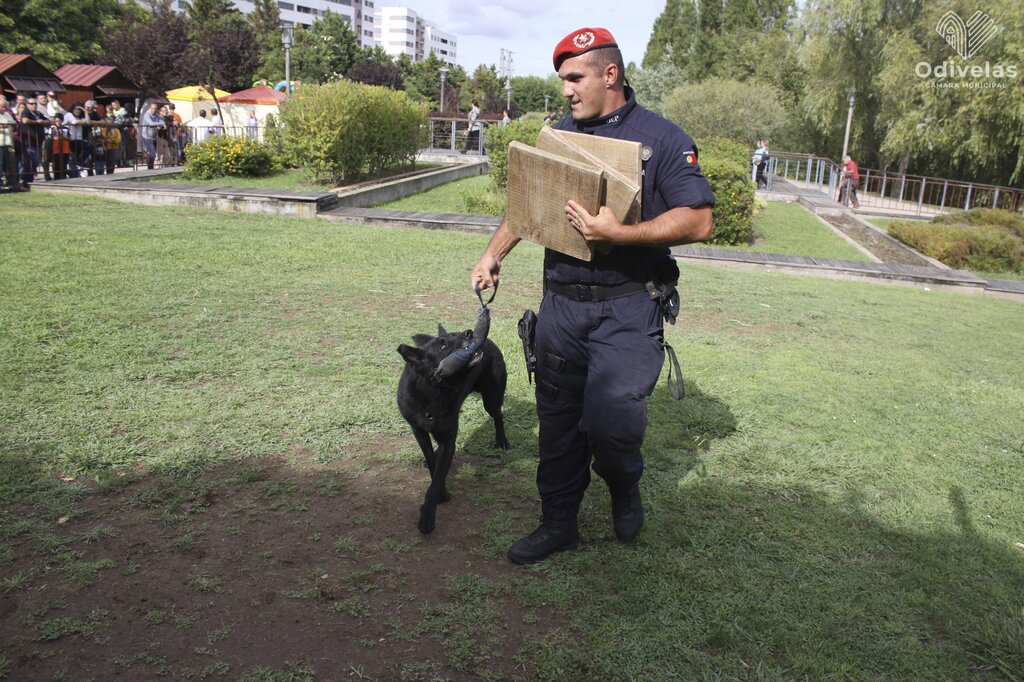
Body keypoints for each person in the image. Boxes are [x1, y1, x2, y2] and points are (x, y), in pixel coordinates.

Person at [470, 26, 715, 565]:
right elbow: (527, 206)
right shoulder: (559, 135)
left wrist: (620, 234)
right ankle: (558, 524)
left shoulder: (663, 139)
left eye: (575, 78)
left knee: (612, 420)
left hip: (627, 307)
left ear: (610, 74)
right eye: (562, 79)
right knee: (558, 425)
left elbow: (699, 220)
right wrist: (493, 255)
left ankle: (623, 485)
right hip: (561, 307)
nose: (566, 90)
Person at [0, 96, 21, 192]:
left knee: (10, 164)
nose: (4, 108)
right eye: (2, 106)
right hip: (0, 143)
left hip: (8, 143)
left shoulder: (7, 114)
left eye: (5, 106)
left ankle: (12, 183)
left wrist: (7, 125)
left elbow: (14, 123)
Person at [139, 102, 165, 170]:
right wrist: (159, 124)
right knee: (152, 153)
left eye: (155, 109)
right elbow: (151, 123)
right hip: (146, 136)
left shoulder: (157, 115)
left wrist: (159, 125)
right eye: (152, 108)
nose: (154, 110)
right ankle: (150, 167)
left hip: (153, 136)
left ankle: (150, 167)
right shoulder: (146, 114)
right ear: (150, 108)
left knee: (152, 154)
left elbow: (163, 122)